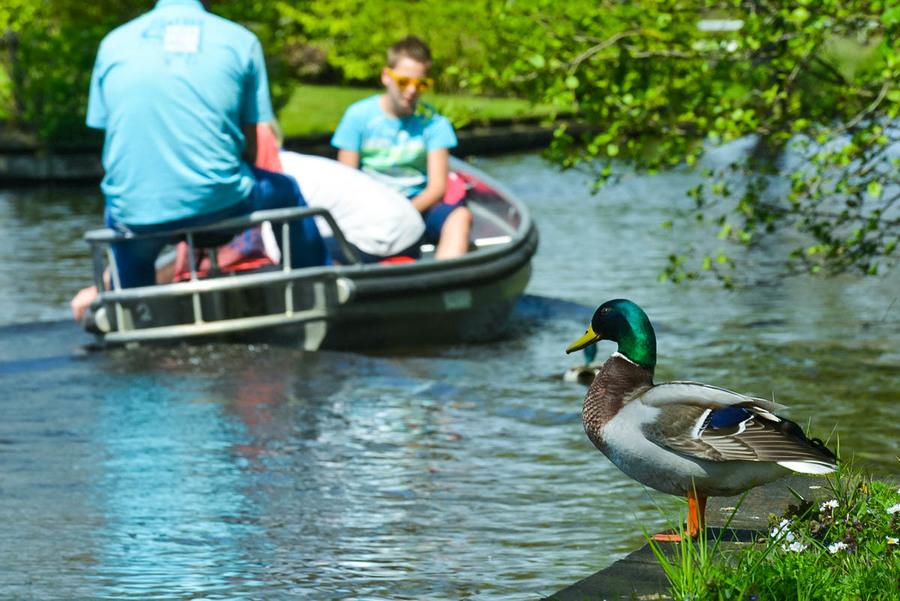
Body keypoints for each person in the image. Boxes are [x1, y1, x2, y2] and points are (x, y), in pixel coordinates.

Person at [85, 0, 327, 291]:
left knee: (122, 219)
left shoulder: (112, 43)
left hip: (137, 213)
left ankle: (135, 311)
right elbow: (252, 141)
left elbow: (109, 137)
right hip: (220, 202)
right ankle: (313, 286)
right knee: (287, 192)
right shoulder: (240, 40)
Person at [331, 35, 472, 260]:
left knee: (460, 217)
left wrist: (403, 214)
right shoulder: (358, 117)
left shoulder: (434, 123)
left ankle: (443, 283)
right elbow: (346, 179)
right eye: (404, 82)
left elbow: (437, 188)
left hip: (418, 207)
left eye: (421, 84)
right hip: (369, 210)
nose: (411, 91)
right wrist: (377, 215)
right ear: (386, 76)